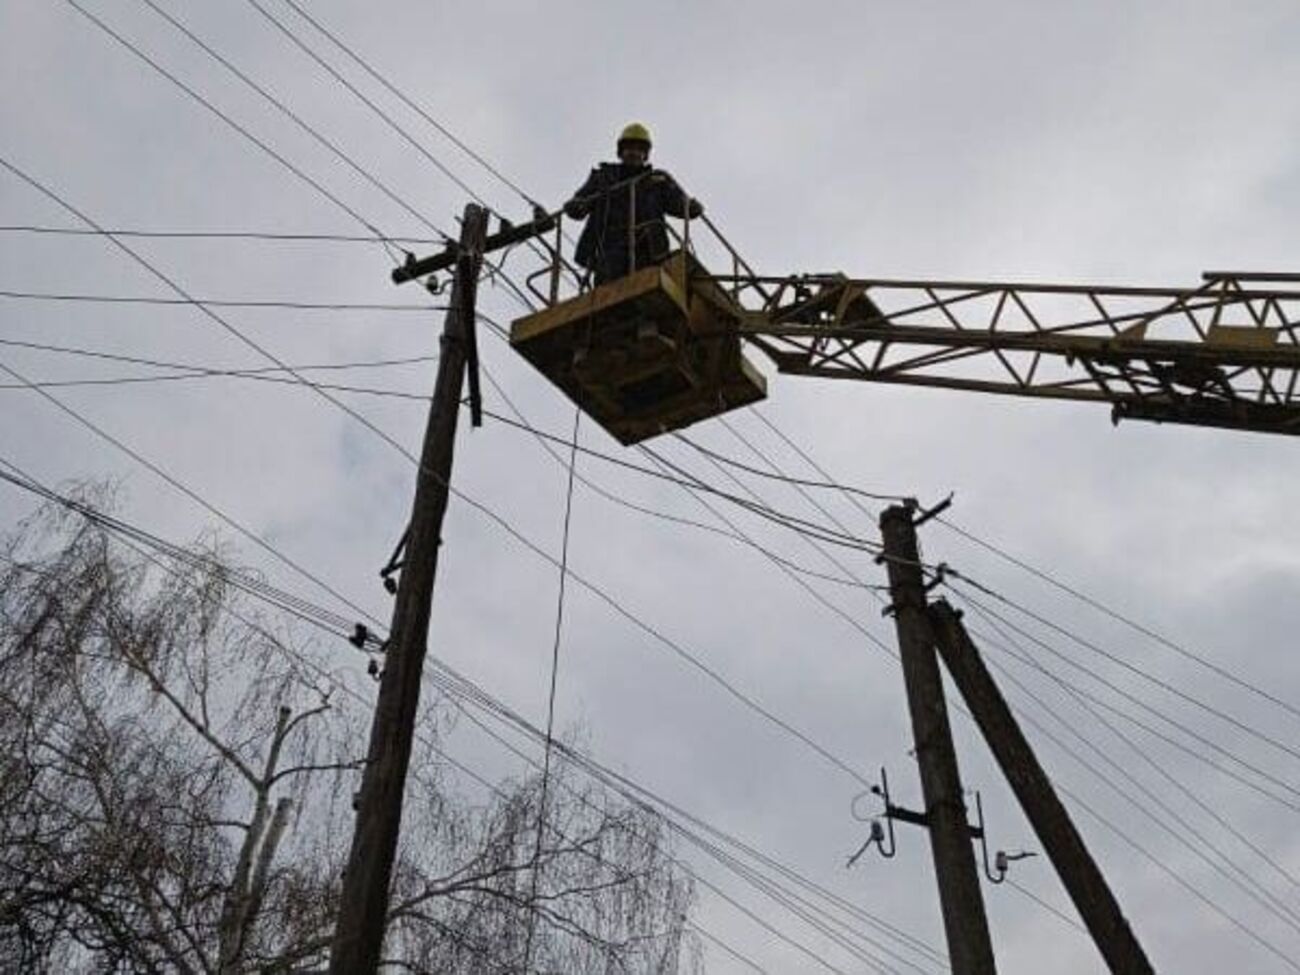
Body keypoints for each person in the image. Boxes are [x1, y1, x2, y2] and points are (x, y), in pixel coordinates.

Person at [564, 123, 704, 285]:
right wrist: (574, 206)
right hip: (610, 249)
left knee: (647, 282)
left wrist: (691, 207)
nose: (634, 153)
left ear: (645, 155)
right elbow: (580, 205)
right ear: (621, 152)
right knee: (610, 285)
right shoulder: (603, 178)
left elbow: (679, 205)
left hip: (648, 249)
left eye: (640, 149)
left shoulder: (657, 181)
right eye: (630, 148)